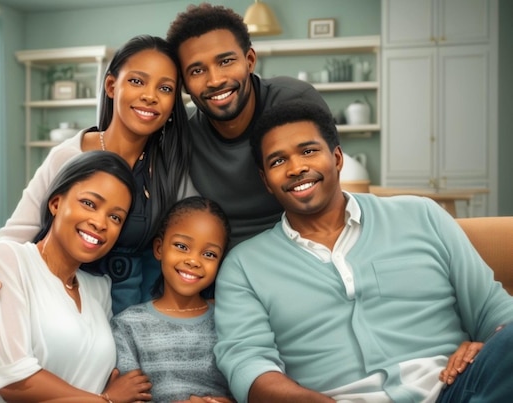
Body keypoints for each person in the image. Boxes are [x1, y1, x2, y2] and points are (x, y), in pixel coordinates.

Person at [213, 100, 513, 403]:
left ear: (337, 157)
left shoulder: (421, 215)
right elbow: (248, 365)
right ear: (266, 181)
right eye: (277, 161)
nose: (296, 168)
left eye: (308, 151)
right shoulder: (244, 266)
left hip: (455, 390)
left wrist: (491, 345)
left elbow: (494, 309)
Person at [0, 34, 194, 318]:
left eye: (165, 88)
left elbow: (190, 247)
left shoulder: (172, 169)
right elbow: (16, 236)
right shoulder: (69, 155)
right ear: (112, 86)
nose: (150, 96)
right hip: (58, 311)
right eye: (137, 81)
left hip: (134, 319)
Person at [0, 150, 152, 403]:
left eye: (115, 217)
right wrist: (106, 400)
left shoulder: (99, 290)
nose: (101, 223)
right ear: (56, 203)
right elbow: (13, 381)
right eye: (89, 203)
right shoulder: (8, 261)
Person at [166, 2, 330, 247]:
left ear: (249, 60)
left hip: (301, 248)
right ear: (184, 84)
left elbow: (327, 193)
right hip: (221, 261)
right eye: (197, 70)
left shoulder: (295, 102)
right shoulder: (183, 131)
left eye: (226, 61)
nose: (215, 80)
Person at [111, 196, 234, 403]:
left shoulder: (229, 323)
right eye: (182, 246)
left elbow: (248, 388)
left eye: (209, 254)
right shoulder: (128, 325)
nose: (193, 261)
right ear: (159, 248)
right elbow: (127, 395)